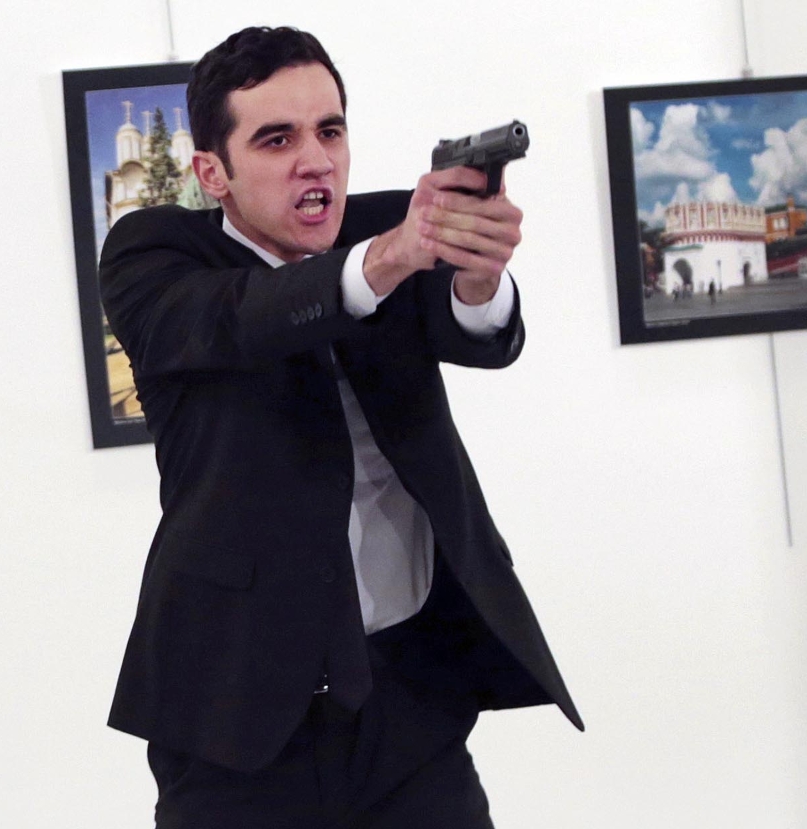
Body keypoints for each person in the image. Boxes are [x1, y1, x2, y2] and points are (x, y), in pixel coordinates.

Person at [99, 25, 581, 829]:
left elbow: (478, 334)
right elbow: (243, 317)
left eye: (329, 131)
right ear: (213, 173)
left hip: (413, 701)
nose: (315, 159)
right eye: (277, 139)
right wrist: (389, 258)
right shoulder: (154, 257)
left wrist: (478, 275)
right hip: (238, 717)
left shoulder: (391, 228)